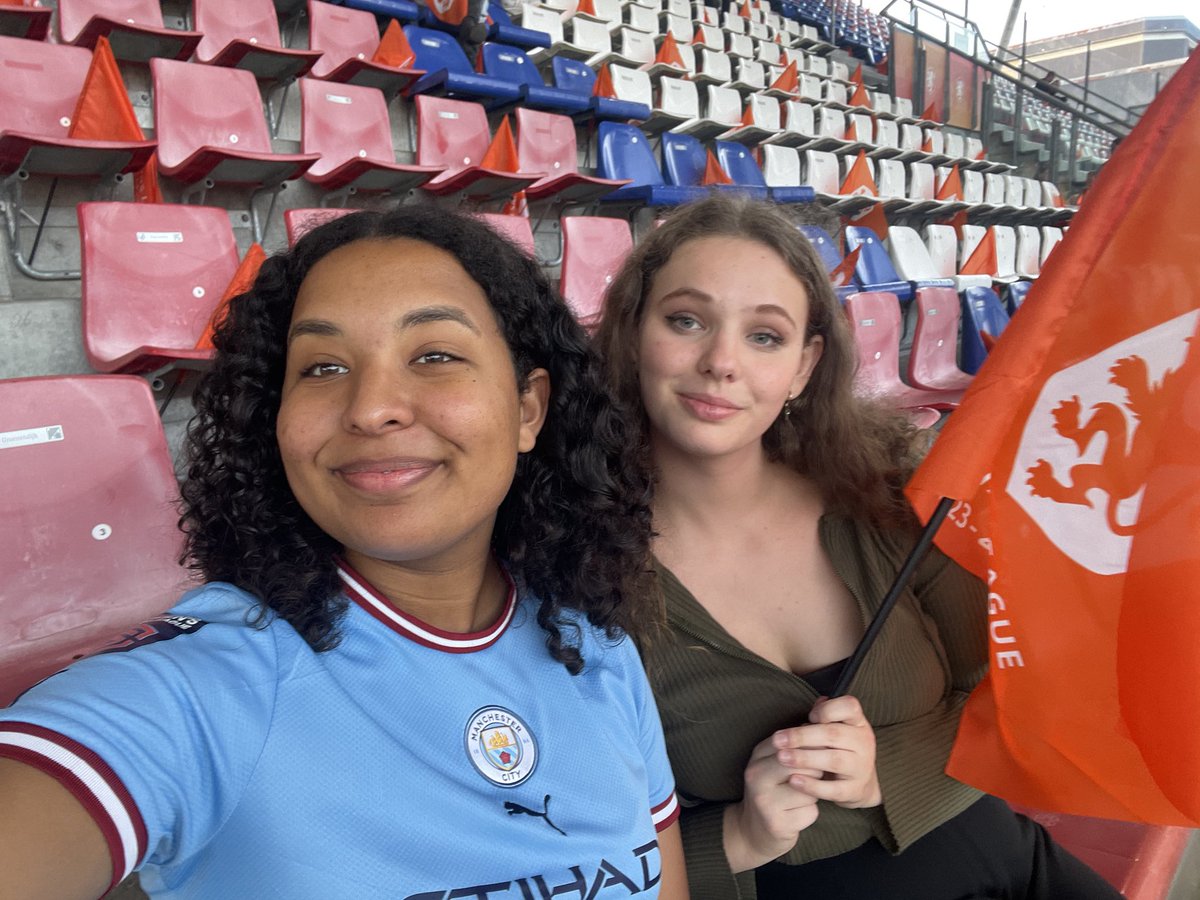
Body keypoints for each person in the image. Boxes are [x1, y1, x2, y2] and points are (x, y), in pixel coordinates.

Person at [0, 206, 688, 900]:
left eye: (434, 356)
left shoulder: (594, 649)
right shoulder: (203, 686)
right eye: (323, 366)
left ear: (528, 410)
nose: (370, 407)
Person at [594, 194, 1123, 900]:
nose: (722, 361)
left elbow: (1004, 697)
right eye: (686, 321)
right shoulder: (573, 565)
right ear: (632, 336)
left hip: (1002, 867)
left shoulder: (889, 499)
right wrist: (738, 837)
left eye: (765, 336)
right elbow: (578, 853)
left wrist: (888, 775)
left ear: (806, 366)